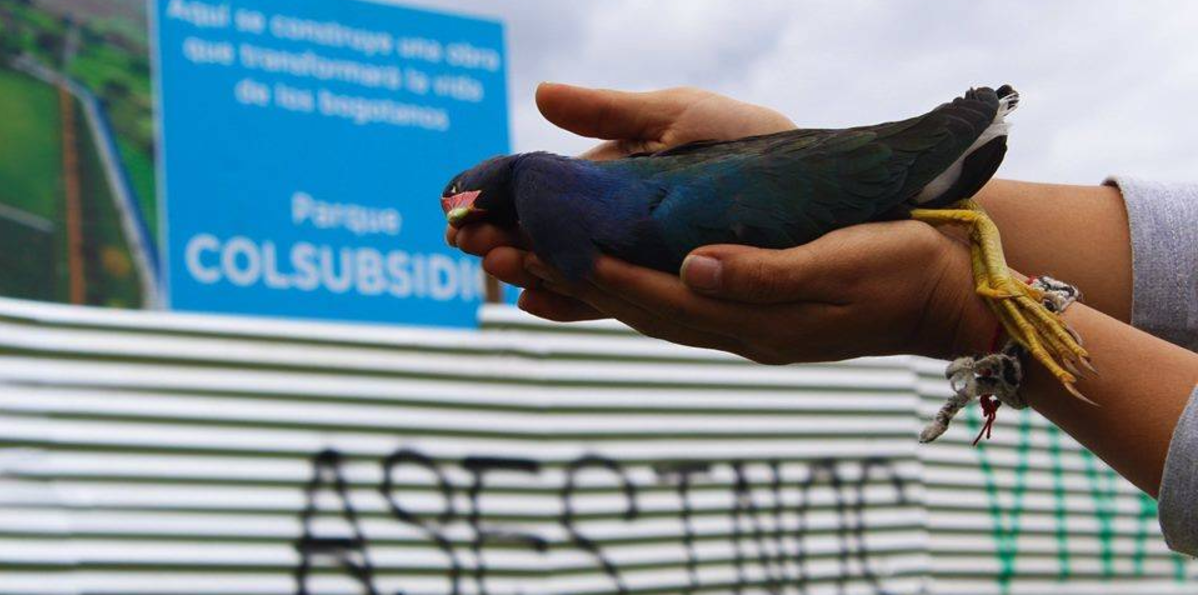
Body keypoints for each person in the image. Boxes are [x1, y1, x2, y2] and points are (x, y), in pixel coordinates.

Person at [447, 82, 1198, 557]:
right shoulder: (557, 190)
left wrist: (957, 310)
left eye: (462, 199)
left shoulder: (547, 182)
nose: (459, 215)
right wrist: (782, 156)